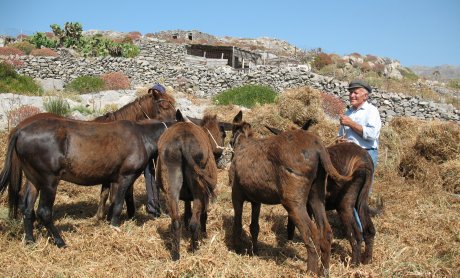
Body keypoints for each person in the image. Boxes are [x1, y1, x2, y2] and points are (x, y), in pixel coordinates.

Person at [338, 79, 382, 187]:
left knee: (363, 189)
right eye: (350, 93)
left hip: (366, 154)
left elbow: (372, 134)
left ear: (365, 96)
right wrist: (340, 140)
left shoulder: (371, 111)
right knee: (348, 189)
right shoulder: (348, 112)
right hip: (349, 155)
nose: (351, 95)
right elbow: (341, 134)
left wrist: (351, 124)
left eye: (355, 93)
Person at [144, 83, 167, 217]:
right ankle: (153, 208)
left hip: (159, 147)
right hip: (147, 149)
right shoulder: (145, 112)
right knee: (150, 175)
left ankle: (157, 206)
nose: (152, 96)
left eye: (156, 94)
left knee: (156, 176)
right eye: (152, 94)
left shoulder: (163, 110)